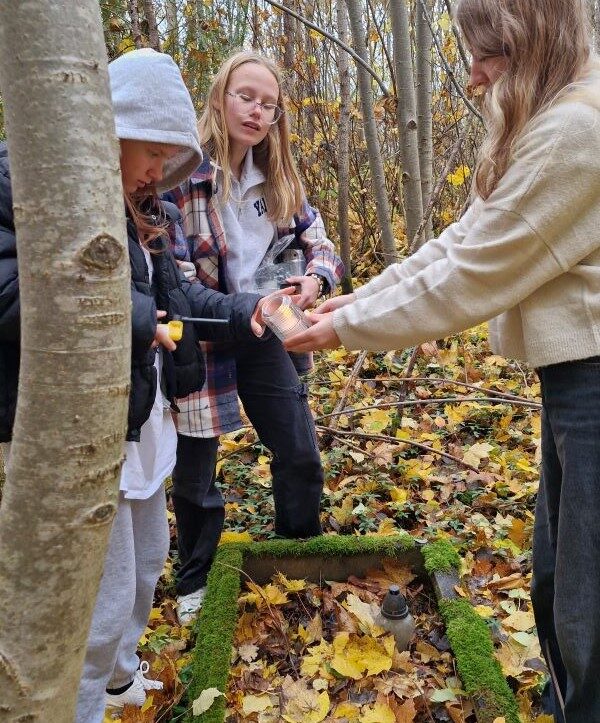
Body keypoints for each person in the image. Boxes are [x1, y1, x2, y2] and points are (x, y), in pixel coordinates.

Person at [285, 1, 600, 720]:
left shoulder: (580, 128)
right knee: (557, 581)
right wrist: (353, 302)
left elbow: (474, 273)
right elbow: (460, 241)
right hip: (573, 380)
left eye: (487, 52)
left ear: (533, 41)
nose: (474, 73)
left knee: (589, 608)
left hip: (594, 382)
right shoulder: (555, 118)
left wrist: (345, 331)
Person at [0, 48, 280, 722]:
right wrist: (132, 321)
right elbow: (17, 293)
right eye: (151, 151)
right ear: (111, 130)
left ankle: (120, 681)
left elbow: (177, 296)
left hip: (140, 417)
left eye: (168, 156)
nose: (160, 170)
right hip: (77, 427)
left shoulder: (144, 206)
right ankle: (82, 704)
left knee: (148, 560)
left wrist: (250, 310)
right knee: (102, 593)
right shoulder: (26, 181)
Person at [165, 50, 344, 624]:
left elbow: (319, 240)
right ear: (220, 97)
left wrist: (314, 279)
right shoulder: (184, 174)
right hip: (202, 334)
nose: (256, 111)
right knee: (196, 473)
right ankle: (194, 583)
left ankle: (299, 555)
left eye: (269, 104)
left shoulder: (277, 177)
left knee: (298, 450)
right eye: (246, 96)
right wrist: (247, 307)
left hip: (266, 329)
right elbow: (181, 285)